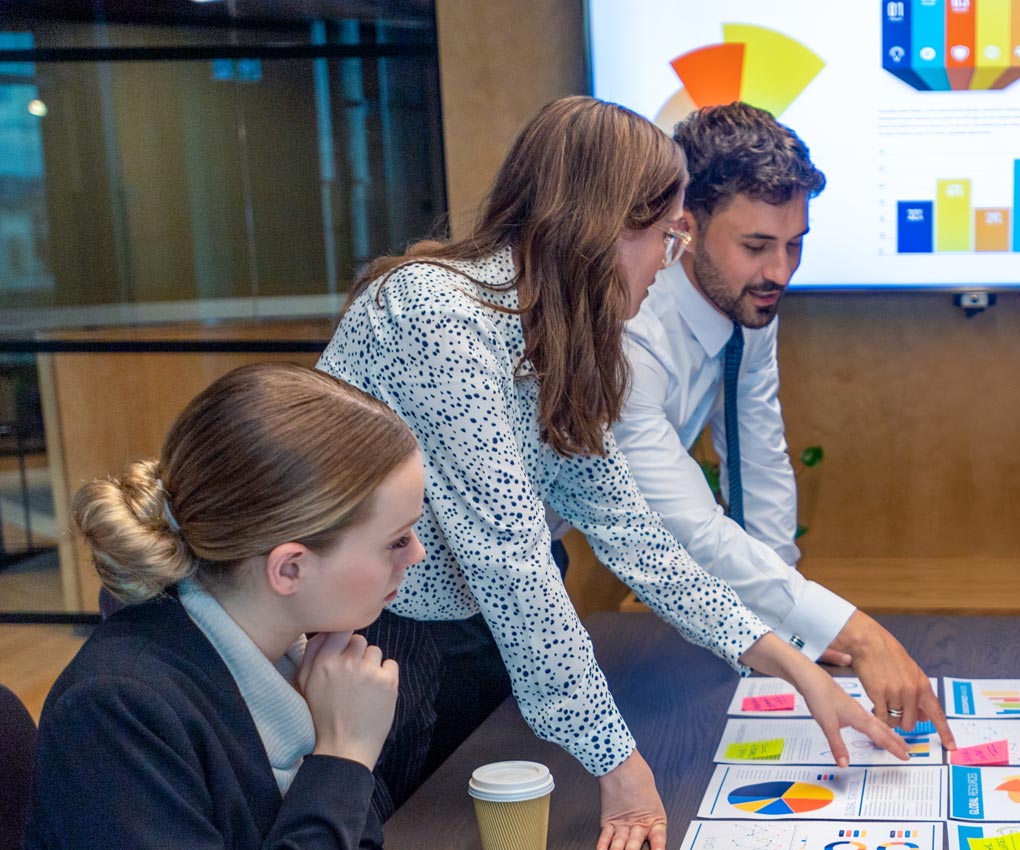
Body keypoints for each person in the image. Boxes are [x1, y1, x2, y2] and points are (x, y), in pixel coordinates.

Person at [318, 96, 905, 849]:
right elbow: (512, 559)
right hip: (367, 634)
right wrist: (620, 768)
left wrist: (791, 661)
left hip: (459, 628)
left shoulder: (560, 327)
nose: (669, 260)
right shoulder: (437, 315)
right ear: (603, 226)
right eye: (665, 236)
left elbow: (632, 530)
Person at [613, 102, 951, 742]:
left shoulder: (747, 300)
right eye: (756, 246)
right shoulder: (632, 324)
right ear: (685, 227)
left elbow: (760, 459)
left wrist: (794, 629)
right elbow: (684, 523)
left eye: (795, 244)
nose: (780, 272)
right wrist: (853, 631)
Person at [24, 363, 422, 849]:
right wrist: (344, 756)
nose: (417, 554)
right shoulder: (115, 713)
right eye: (396, 540)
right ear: (289, 569)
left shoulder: (305, 661)